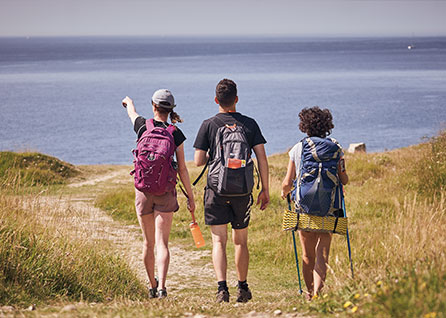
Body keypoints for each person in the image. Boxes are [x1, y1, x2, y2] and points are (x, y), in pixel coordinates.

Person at [193, 79, 269, 303]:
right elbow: (262, 158)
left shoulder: (209, 124)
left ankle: (221, 290)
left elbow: (198, 161)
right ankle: (243, 288)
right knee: (240, 241)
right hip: (243, 191)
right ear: (236, 99)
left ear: (216, 100)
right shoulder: (250, 124)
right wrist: (265, 189)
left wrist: (216, 158)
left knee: (219, 241)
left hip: (216, 190)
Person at [122, 89, 196, 299]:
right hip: (166, 191)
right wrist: (190, 197)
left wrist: (128, 102)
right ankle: (163, 287)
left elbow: (132, 113)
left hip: (143, 191)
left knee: (148, 243)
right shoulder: (176, 133)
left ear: (153, 106)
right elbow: (182, 169)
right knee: (163, 243)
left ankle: (152, 285)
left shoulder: (142, 126)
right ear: (171, 110)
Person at [281, 106, 348, 300]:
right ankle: (319, 293)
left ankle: (310, 293)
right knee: (322, 255)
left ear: (304, 126)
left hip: (305, 208)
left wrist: (285, 192)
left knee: (307, 255)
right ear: (327, 125)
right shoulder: (336, 147)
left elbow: (287, 181)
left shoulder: (298, 148)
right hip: (329, 208)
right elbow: (343, 179)